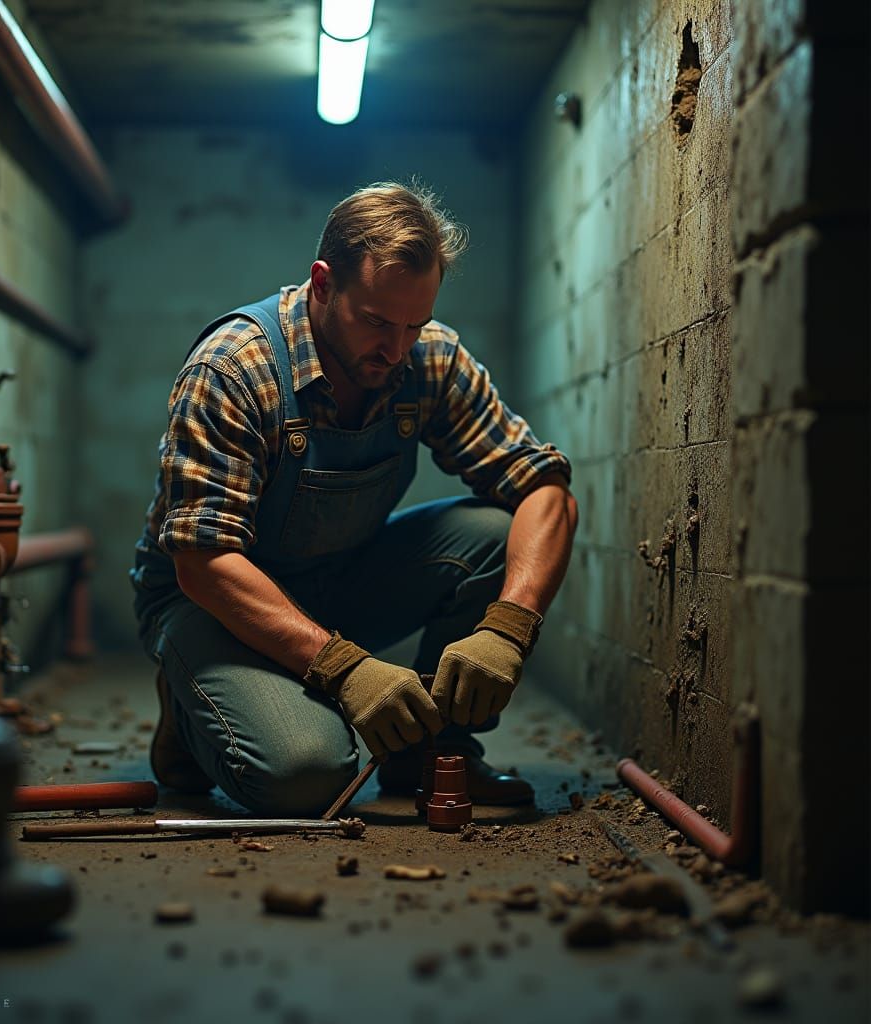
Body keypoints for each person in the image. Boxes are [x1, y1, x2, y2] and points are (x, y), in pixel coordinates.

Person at [130, 181, 577, 817]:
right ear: (322, 284)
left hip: (338, 579)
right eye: (374, 322)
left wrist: (510, 625)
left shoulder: (427, 358)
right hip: (212, 601)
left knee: (497, 533)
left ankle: (429, 751)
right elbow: (202, 561)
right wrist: (346, 669)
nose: (395, 349)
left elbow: (545, 489)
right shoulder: (234, 369)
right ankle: (189, 714)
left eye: (412, 324)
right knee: (307, 777)